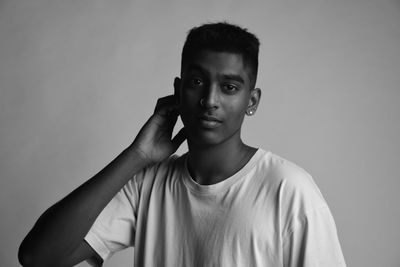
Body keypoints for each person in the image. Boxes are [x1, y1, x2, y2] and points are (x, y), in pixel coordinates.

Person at [18, 22, 346, 267]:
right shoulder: (148, 183)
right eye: (197, 82)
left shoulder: (290, 190)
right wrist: (137, 156)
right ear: (178, 90)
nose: (210, 100)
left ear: (252, 100)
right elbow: (37, 257)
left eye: (229, 87)